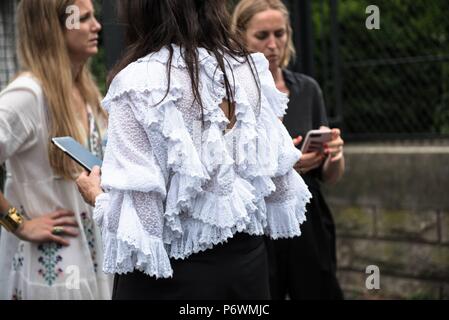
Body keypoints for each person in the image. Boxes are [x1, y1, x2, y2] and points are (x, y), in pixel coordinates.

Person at [76, 0, 312, 300]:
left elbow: (143, 227)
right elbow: (276, 187)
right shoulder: (249, 70)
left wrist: (96, 195)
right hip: (246, 273)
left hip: (172, 282)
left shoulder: (137, 83)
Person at [233, 0, 345, 300]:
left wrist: (334, 154)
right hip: (259, 222)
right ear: (240, 36)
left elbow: (330, 176)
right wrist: (284, 166)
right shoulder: (233, 95)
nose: (273, 44)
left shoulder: (307, 89)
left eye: (279, 33)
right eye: (262, 36)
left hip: (308, 220)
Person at [0, 0, 111, 300]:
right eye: (84, 18)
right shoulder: (27, 95)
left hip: (96, 260)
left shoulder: (87, 92)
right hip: (51, 272)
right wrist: (17, 222)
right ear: (52, 28)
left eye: (94, 17)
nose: (96, 26)